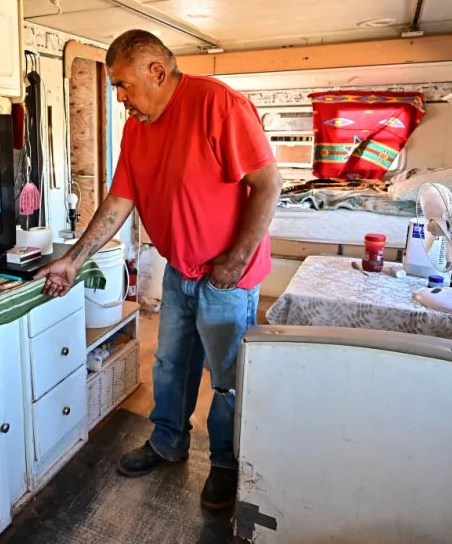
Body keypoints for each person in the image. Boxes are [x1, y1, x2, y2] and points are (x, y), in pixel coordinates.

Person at [36, 29, 282, 510]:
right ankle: (168, 442)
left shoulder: (219, 104)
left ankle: (227, 466)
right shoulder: (137, 127)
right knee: (170, 365)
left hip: (227, 277)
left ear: (157, 71)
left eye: (124, 85)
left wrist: (233, 262)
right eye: (115, 89)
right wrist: (73, 260)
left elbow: (268, 184)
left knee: (227, 377)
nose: (121, 98)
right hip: (181, 269)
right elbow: (119, 201)